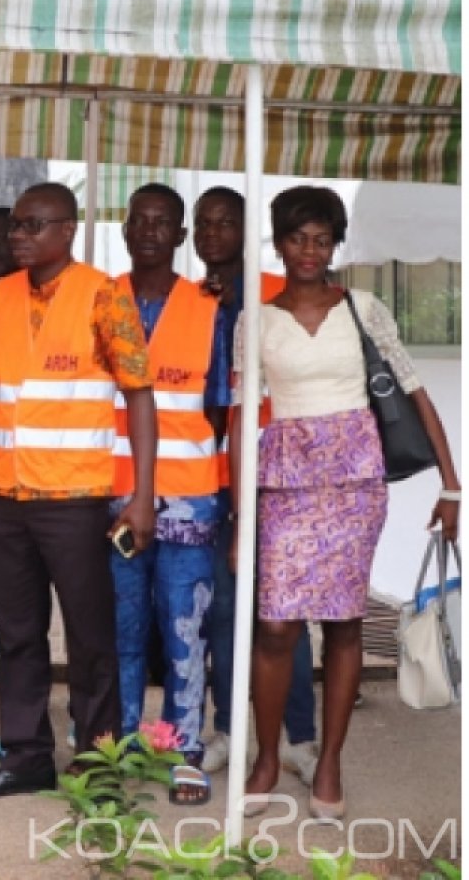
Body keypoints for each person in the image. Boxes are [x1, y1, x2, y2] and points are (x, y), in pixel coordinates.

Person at [234, 185, 459, 821]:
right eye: (298, 238)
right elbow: (240, 413)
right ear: (278, 244)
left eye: (322, 239)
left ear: (334, 244)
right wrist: (235, 505)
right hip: (284, 481)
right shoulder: (257, 318)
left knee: (342, 622)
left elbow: (415, 394)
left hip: (355, 482)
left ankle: (330, 761)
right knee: (276, 624)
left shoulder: (364, 307)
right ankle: (268, 757)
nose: (310, 250)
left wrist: (451, 486)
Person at [0, 181, 157, 799]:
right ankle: (28, 755)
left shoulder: (104, 296)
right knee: (17, 635)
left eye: (34, 225)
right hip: (8, 497)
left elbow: (139, 396)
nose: (19, 236)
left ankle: (98, 766)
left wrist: (141, 496)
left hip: (76, 500)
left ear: (69, 230)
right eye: (16, 225)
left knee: (90, 639)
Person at [193, 186, 319, 784]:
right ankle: (228, 730)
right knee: (222, 612)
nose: (213, 233)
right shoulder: (189, 300)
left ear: (248, 231)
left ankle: (299, 736)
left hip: (279, 479)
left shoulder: (279, 293)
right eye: (205, 223)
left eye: (226, 222)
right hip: (209, 481)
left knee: (284, 615)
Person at [106, 184, 225, 804]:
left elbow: (221, 410)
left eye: (163, 222)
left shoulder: (209, 307)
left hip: (189, 497)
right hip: (112, 496)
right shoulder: (101, 301)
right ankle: (123, 745)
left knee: (185, 627)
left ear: (180, 236)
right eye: (139, 219)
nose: (150, 230)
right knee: (120, 630)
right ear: (125, 230)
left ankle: (183, 750)